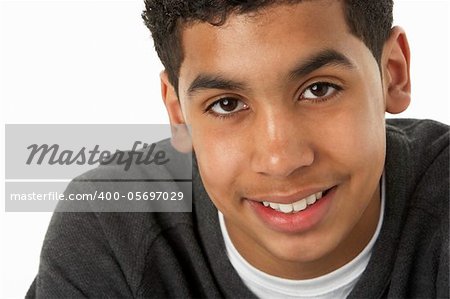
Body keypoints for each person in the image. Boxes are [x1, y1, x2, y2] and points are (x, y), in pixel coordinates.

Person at [27, 0, 449, 298]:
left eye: (319, 90)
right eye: (226, 104)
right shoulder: (110, 228)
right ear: (178, 114)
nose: (280, 159)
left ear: (392, 74)